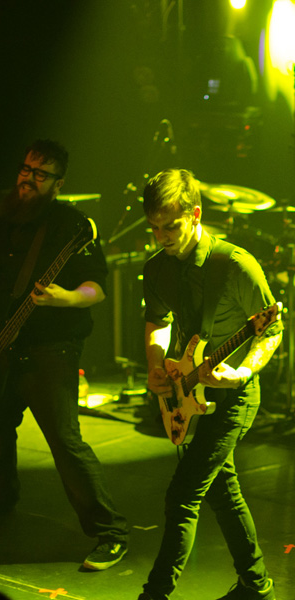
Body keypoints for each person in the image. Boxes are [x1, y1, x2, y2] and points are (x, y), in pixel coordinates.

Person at [0, 139, 129, 571]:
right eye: (26, 169)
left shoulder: (72, 225)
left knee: (65, 443)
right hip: (1, 346)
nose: (28, 178)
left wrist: (65, 298)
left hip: (52, 348)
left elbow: (97, 287)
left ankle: (111, 533)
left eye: (40, 173)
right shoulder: (1, 225)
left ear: (58, 183)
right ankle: (0, 496)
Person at [137, 169, 283, 600]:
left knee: (182, 495)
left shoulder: (235, 265)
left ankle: (154, 594)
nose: (161, 236)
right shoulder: (156, 268)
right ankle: (257, 586)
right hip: (188, 389)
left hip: (234, 396)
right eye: (154, 228)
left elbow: (272, 330)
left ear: (196, 214)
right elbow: (157, 321)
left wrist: (242, 371)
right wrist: (156, 364)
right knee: (223, 492)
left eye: (170, 226)